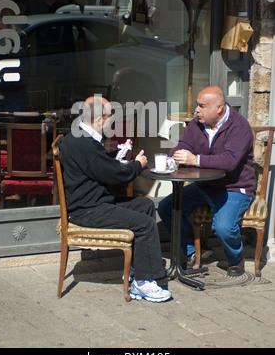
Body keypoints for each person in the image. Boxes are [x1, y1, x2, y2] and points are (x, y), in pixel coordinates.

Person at [59, 96, 172, 302]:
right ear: (100, 119)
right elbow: (114, 177)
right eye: (111, 115)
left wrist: (117, 157)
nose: (113, 120)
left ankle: (138, 271)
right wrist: (137, 165)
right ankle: (144, 282)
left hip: (92, 203)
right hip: (88, 210)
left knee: (145, 205)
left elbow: (98, 166)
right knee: (146, 224)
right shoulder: (84, 143)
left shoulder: (81, 136)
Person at [158, 86, 255, 277]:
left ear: (219, 108)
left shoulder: (239, 127)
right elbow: (182, 145)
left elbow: (229, 161)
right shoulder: (196, 124)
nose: (197, 110)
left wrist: (196, 160)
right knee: (166, 207)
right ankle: (193, 250)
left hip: (233, 187)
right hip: (204, 186)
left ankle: (235, 259)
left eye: (202, 106)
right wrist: (177, 154)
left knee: (223, 227)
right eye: (197, 105)